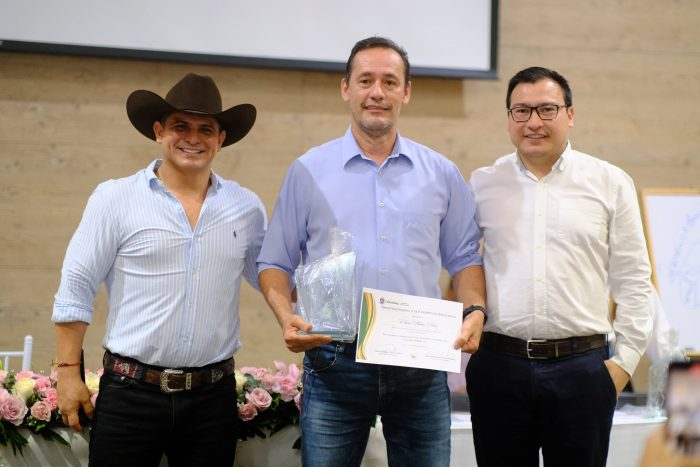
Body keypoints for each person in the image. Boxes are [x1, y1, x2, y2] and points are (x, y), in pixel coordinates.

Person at [257, 36, 486, 467]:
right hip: (334, 360)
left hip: (420, 361)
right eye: (365, 81)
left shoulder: (442, 173)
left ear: (406, 91)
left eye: (389, 82)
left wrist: (475, 311)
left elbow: (464, 259)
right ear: (346, 88)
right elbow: (274, 261)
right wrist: (286, 317)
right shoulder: (308, 171)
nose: (377, 92)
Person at [52, 73, 265, 467]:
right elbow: (76, 286)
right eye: (180, 126)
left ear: (221, 139)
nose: (193, 138)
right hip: (130, 394)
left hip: (212, 399)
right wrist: (67, 374)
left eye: (206, 129)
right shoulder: (115, 198)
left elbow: (271, 276)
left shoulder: (246, 207)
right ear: (158, 131)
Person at [467, 66, 653, 467]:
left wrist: (623, 365)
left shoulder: (609, 182)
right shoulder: (482, 184)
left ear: (570, 114)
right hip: (499, 369)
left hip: (583, 371)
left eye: (547, 109)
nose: (533, 122)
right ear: (509, 118)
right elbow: (463, 265)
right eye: (521, 111)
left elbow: (635, 280)